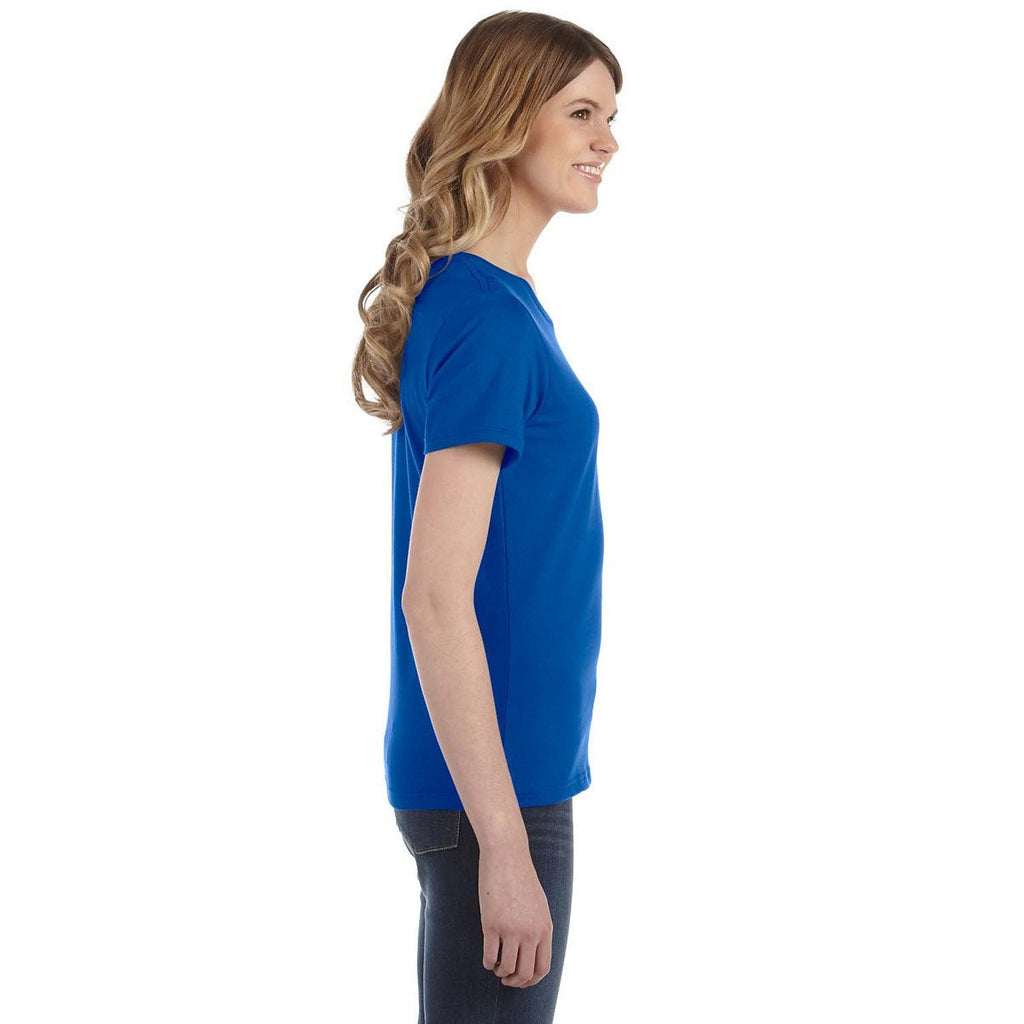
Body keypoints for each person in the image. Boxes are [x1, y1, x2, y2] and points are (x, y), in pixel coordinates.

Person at [352, 12, 621, 1022]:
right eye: (582, 113)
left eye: (611, 117)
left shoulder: (497, 303)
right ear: (508, 120)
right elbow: (433, 596)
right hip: (490, 794)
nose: (607, 141)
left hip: (507, 779)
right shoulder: (485, 317)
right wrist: (503, 844)